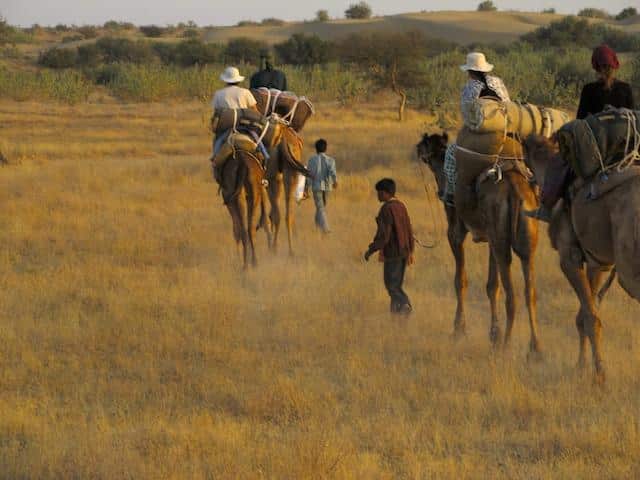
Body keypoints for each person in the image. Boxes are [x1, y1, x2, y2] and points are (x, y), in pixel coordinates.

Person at [525, 45, 635, 222]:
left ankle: (546, 208)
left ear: (595, 67)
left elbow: (581, 121)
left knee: (559, 165)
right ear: (615, 65)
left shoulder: (589, 90)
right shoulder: (626, 88)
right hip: (626, 148)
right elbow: (631, 116)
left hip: (598, 149)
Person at [442, 52, 511, 205]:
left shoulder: (469, 87)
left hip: (481, 133)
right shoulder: (498, 82)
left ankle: (452, 194)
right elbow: (508, 105)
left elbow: (467, 116)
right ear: (486, 69)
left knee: (451, 154)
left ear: (469, 71)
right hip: (504, 129)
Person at [364, 178, 415, 315]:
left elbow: (384, 236)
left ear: (386, 193)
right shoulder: (401, 206)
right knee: (396, 285)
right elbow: (409, 229)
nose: (378, 196)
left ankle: (405, 304)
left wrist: (371, 249)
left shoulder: (386, 209)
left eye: (379, 193)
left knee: (391, 286)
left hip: (393, 253)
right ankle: (395, 317)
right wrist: (411, 250)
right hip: (404, 251)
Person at [210, 66, 258, 161]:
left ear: (225, 80)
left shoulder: (218, 94)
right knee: (258, 141)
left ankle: (215, 159)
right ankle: (264, 156)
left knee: (218, 141)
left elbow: (216, 114)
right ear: (238, 80)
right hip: (244, 125)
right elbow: (255, 111)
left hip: (225, 127)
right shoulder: (245, 92)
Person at [305, 139, 337, 233]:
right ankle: (324, 228)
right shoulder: (330, 160)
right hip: (327, 186)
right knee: (321, 207)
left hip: (316, 186)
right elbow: (332, 172)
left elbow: (309, 174)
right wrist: (335, 181)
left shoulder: (311, 160)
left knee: (320, 207)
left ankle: (320, 226)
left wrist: (306, 187)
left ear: (316, 149)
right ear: (326, 148)